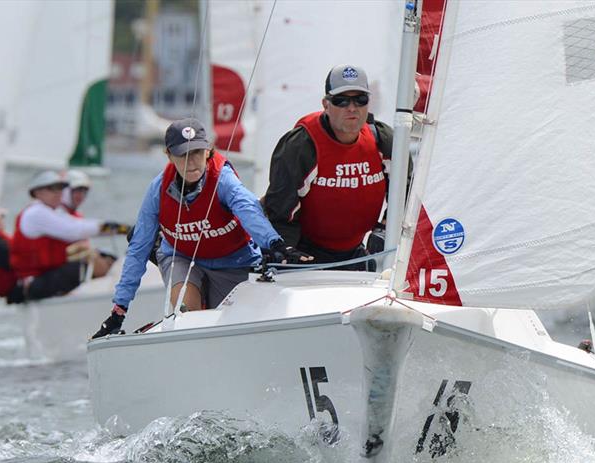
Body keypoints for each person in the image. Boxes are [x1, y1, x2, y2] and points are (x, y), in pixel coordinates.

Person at [92, 118, 312, 339]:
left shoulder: (224, 181)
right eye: (182, 155)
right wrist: (119, 311)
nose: (191, 162)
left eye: (197, 152)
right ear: (168, 155)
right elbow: (138, 249)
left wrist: (276, 244)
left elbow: (249, 211)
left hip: (234, 262)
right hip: (183, 257)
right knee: (189, 315)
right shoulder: (157, 190)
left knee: (232, 326)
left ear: (208, 151)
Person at [263, 64, 406, 270]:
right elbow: (280, 209)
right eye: (341, 100)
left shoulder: (383, 139)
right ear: (326, 104)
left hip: (357, 254)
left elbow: (406, 193)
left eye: (360, 99)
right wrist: (284, 252)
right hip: (305, 255)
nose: (352, 108)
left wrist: (386, 228)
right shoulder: (301, 145)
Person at [9, 170, 127, 301]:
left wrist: (121, 229)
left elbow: (77, 227)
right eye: (53, 188)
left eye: (61, 188)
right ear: (38, 192)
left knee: (106, 258)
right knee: (84, 266)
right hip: (33, 284)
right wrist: (121, 229)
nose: (59, 192)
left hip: (44, 278)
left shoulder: (51, 212)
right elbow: (75, 230)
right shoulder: (36, 213)